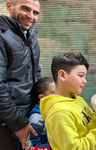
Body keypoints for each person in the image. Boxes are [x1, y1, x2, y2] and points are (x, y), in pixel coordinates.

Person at [40, 52, 96, 150]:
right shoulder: (59, 112)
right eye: (80, 75)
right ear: (62, 75)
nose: (85, 81)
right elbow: (75, 148)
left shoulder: (77, 99)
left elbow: (92, 123)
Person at [0, 0, 41, 149]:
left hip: (29, 117)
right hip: (7, 124)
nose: (31, 16)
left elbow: (36, 74)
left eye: (35, 12)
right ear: (9, 6)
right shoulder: (1, 36)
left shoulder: (31, 36)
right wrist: (18, 123)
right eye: (25, 9)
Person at [25, 77, 55, 150]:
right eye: (54, 93)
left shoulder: (57, 111)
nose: (61, 96)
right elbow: (30, 147)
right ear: (41, 97)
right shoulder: (36, 118)